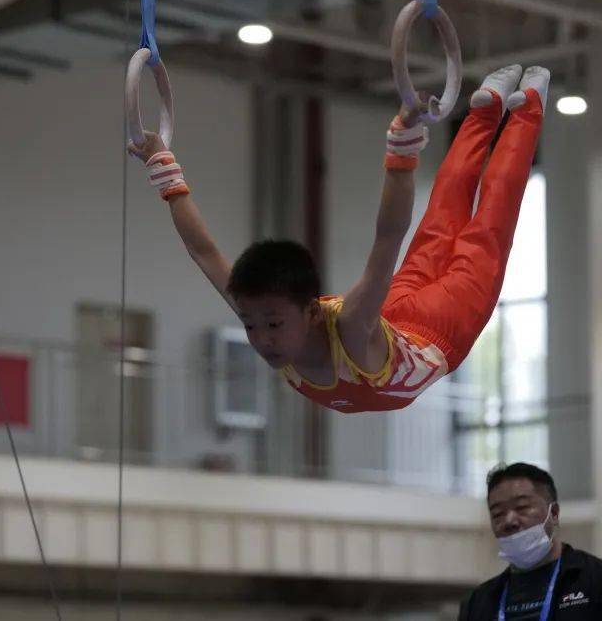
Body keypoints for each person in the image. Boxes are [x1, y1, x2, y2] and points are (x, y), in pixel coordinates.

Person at [129, 65, 549, 413]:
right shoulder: (273, 319)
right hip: (400, 324)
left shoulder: (350, 324)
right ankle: (490, 110)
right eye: (251, 325)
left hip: (428, 328)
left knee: (481, 230)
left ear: (312, 311)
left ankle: (522, 109)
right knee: (450, 226)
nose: (262, 339)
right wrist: (163, 169)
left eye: (273, 324)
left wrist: (401, 154)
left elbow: (388, 238)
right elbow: (204, 251)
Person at [458, 462, 602, 620]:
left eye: (522, 507)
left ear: (554, 513)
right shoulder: (479, 602)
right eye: (497, 514)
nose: (509, 521)